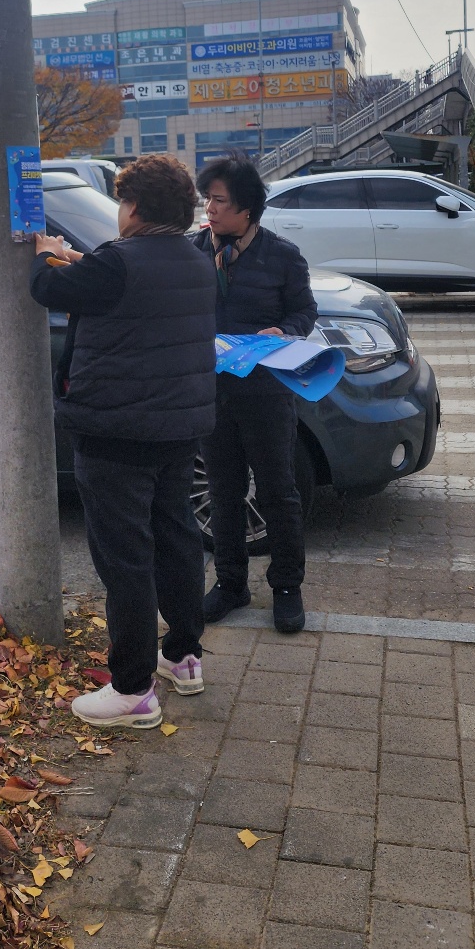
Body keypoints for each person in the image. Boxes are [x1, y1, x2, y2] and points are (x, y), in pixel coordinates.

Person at [29, 154, 217, 729]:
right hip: (178, 429)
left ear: (133, 207)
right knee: (178, 538)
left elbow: (45, 287)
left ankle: (132, 689)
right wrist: (81, 260)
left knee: (126, 560)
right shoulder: (196, 258)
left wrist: (44, 251)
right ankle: (183, 656)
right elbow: (127, 286)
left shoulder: (116, 264)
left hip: (116, 432)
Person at [193, 153, 317, 634]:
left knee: (277, 491)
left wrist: (285, 331)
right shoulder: (194, 250)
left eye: (219, 201)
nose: (210, 209)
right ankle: (230, 583)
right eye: (207, 199)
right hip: (213, 392)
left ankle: (286, 587)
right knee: (222, 492)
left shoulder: (282, 255)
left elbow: (304, 312)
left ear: (247, 209)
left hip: (265, 393)